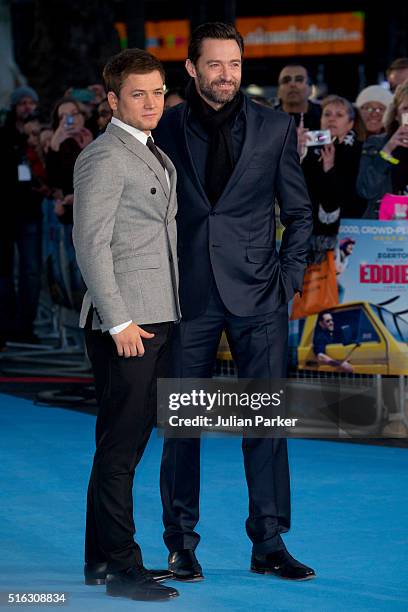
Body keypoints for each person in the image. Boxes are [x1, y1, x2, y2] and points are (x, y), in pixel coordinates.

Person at [154, 22, 315, 582]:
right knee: (182, 425)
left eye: (235, 65)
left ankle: (268, 542)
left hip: (260, 296)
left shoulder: (275, 127)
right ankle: (181, 543)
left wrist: (288, 278)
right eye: (215, 65)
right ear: (192, 68)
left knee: (266, 423)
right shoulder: (165, 128)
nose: (227, 76)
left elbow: (299, 214)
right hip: (187, 296)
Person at [72, 48, 180, 602]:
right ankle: (121, 567)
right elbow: (89, 246)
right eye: (138, 93)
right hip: (127, 325)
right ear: (113, 99)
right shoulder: (103, 157)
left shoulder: (150, 150)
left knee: (123, 444)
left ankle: (98, 560)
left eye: (158, 92)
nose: (151, 102)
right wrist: (120, 322)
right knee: (121, 452)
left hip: (157, 317)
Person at [0, 86, 43, 347]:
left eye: (31, 102)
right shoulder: (3, 136)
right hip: (4, 213)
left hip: (30, 212)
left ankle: (25, 324)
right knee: (4, 272)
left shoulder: (38, 136)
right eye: (22, 103)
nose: (27, 107)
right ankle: (6, 325)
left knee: (30, 271)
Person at [301, 95, 366, 263]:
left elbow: (345, 193)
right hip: (308, 232)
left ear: (350, 123)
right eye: (327, 114)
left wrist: (329, 169)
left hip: (348, 232)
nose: (332, 119)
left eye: (339, 115)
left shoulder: (358, 151)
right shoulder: (308, 148)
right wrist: (296, 151)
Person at [357, 81, 408, 219]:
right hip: (384, 232)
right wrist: (387, 151)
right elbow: (365, 191)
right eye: (406, 109)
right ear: (396, 114)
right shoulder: (376, 144)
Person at [275, 63, 321, 129]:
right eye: (286, 80)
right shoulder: (268, 118)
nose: (292, 84)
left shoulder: (325, 116)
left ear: (310, 89)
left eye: (299, 80)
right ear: (278, 90)